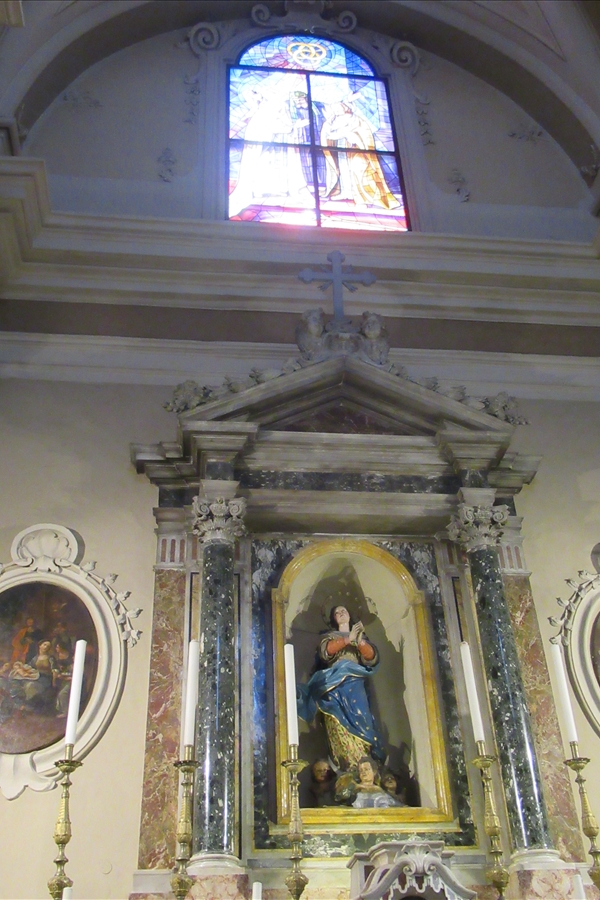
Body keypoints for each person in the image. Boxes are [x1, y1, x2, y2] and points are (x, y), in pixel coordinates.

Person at [297, 604, 385, 772]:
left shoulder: (361, 636)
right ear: (333, 619)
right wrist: (346, 640)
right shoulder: (329, 637)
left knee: (363, 719)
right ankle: (346, 767)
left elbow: (372, 658)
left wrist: (359, 642)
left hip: (355, 684)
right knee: (336, 722)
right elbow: (326, 652)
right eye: (337, 612)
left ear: (350, 615)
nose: (341, 613)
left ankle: (365, 765)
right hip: (334, 686)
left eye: (344, 610)